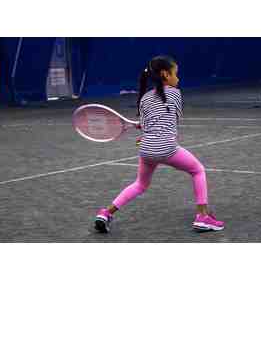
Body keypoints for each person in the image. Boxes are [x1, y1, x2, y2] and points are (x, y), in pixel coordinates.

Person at [94, 55, 225, 233]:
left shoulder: (144, 99)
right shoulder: (175, 93)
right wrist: (151, 130)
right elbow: (171, 121)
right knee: (198, 170)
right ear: (165, 74)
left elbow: (149, 124)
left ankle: (106, 213)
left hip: (146, 149)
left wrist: (147, 133)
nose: (178, 78)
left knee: (140, 184)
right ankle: (202, 216)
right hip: (167, 148)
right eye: (175, 74)